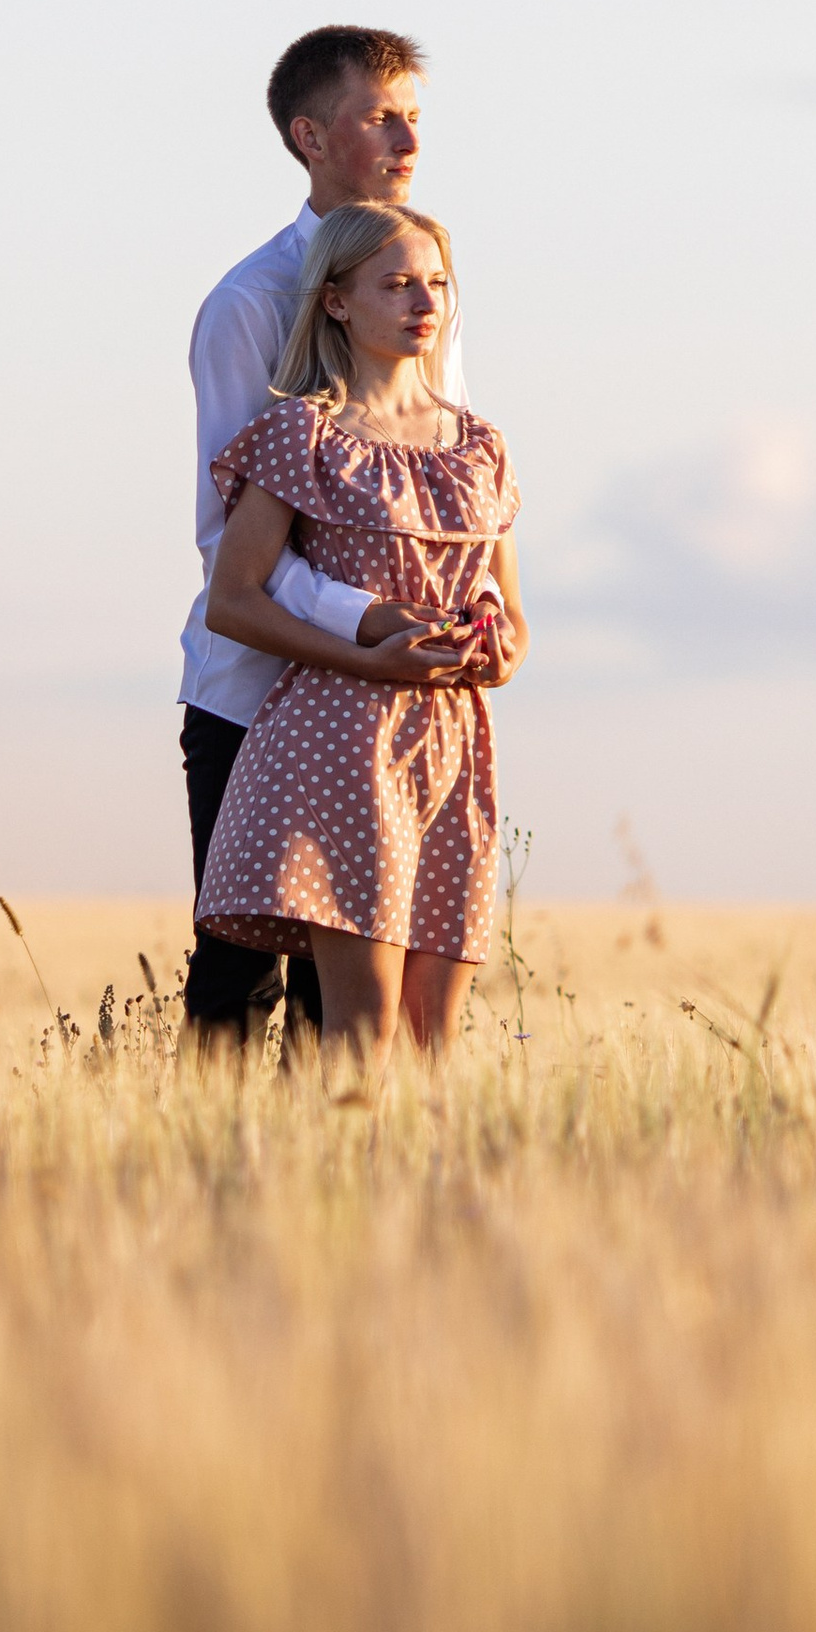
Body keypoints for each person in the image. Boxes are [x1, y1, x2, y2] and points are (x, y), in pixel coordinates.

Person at [179, 26, 472, 1054]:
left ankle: (330, 1193)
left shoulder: (424, 288)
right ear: (309, 136)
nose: (407, 139)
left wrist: (462, 626)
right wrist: (371, 623)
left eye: (415, 118)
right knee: (239, 973)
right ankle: (199, 1188)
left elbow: (444, 491)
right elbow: (233, 543)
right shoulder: (248, 305)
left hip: (393, 703)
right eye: (379, 116)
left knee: (357, 989)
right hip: (256, 690)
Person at [196, 202, 525, 1068]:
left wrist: (493, 645)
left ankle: (423, 1204)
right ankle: (339, 1194)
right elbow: (233, 601)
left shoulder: (481, 447)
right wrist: (366, 654)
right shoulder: (298, 433)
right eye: (398, 283)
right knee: (363, 1029)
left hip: (454, 744)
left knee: (432, 1038)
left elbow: (514, 617)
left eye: (437, 283)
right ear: (337, 301)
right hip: (335, 736)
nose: (426, 302)